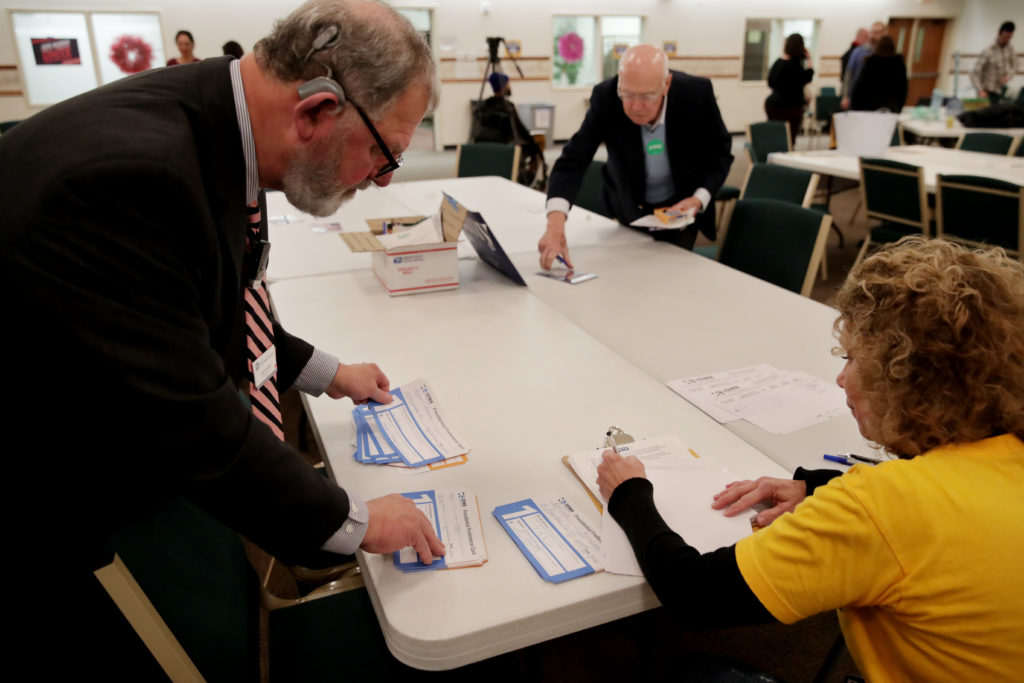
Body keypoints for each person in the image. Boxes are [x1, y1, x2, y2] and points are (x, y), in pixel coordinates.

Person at [1, 0, 444, 672]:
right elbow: (193, 425)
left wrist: (329, 372)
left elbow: (223, 298)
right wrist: (354, 520)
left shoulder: (220, 120)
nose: (381, 179)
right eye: (386, 154)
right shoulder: (130, 180)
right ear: (317, 113)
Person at [597, 236, 1024, 680]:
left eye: (853, 359)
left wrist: (628, 493)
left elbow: (694, 594)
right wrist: (815, 485)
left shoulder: (881, 507)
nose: (840, 379)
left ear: (905, 379)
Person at [538, 44, 732, 267]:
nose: (636, 107)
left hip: (682, 210)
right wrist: (555, 224)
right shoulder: (607, 97)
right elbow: (573, 160)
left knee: (674, 278)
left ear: (666, 85)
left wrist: (699, 197)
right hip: (628, 207)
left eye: (648, 96)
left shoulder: (696, 94)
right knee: (626, 277)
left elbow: (721, 152)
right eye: (627, 95)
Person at [469, 71, 548, 188]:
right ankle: (532, 173)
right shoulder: (508, 107)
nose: (510, 86)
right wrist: (535, 146)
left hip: (487, 144)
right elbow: (521, 130)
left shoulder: (483, 106)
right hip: (510, 145)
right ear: (504, 85)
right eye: (508, 83)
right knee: (540, 138)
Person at [764, 33, 813, 144]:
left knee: (774, 135)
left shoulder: (778, 62)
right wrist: (809, 59)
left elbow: (770, 83)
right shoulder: (796, 66)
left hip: (772, 104)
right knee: (788, 140)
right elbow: (807, 78)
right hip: (790, 107)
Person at [850, 35, 908, 112]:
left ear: (878, 47)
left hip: (869, 105)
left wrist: (855, 106)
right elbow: (903, 88)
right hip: (891, 106)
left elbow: (860, 86)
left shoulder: (871, 62)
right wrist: (899, 106)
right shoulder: (898, 64)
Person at [841, 21, 885, 110]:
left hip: (879, 102)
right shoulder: (858, 52)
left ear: (883, 34)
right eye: (872, 32)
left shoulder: (886, 55)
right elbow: (848, 75)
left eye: (877, 33)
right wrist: (845, 96)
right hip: (858, 100)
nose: (873, 36)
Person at [971, 21, 1017, 105]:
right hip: (985, 91)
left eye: (1009, 38)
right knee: (983, 116)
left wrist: (1008, 76)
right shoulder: (989, 51)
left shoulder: (1009, 49)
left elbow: (1015, 65)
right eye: (1005, 37)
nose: (1007, 40)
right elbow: (974, 73)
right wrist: (980, 90)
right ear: (999, 33)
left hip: (998, 91)